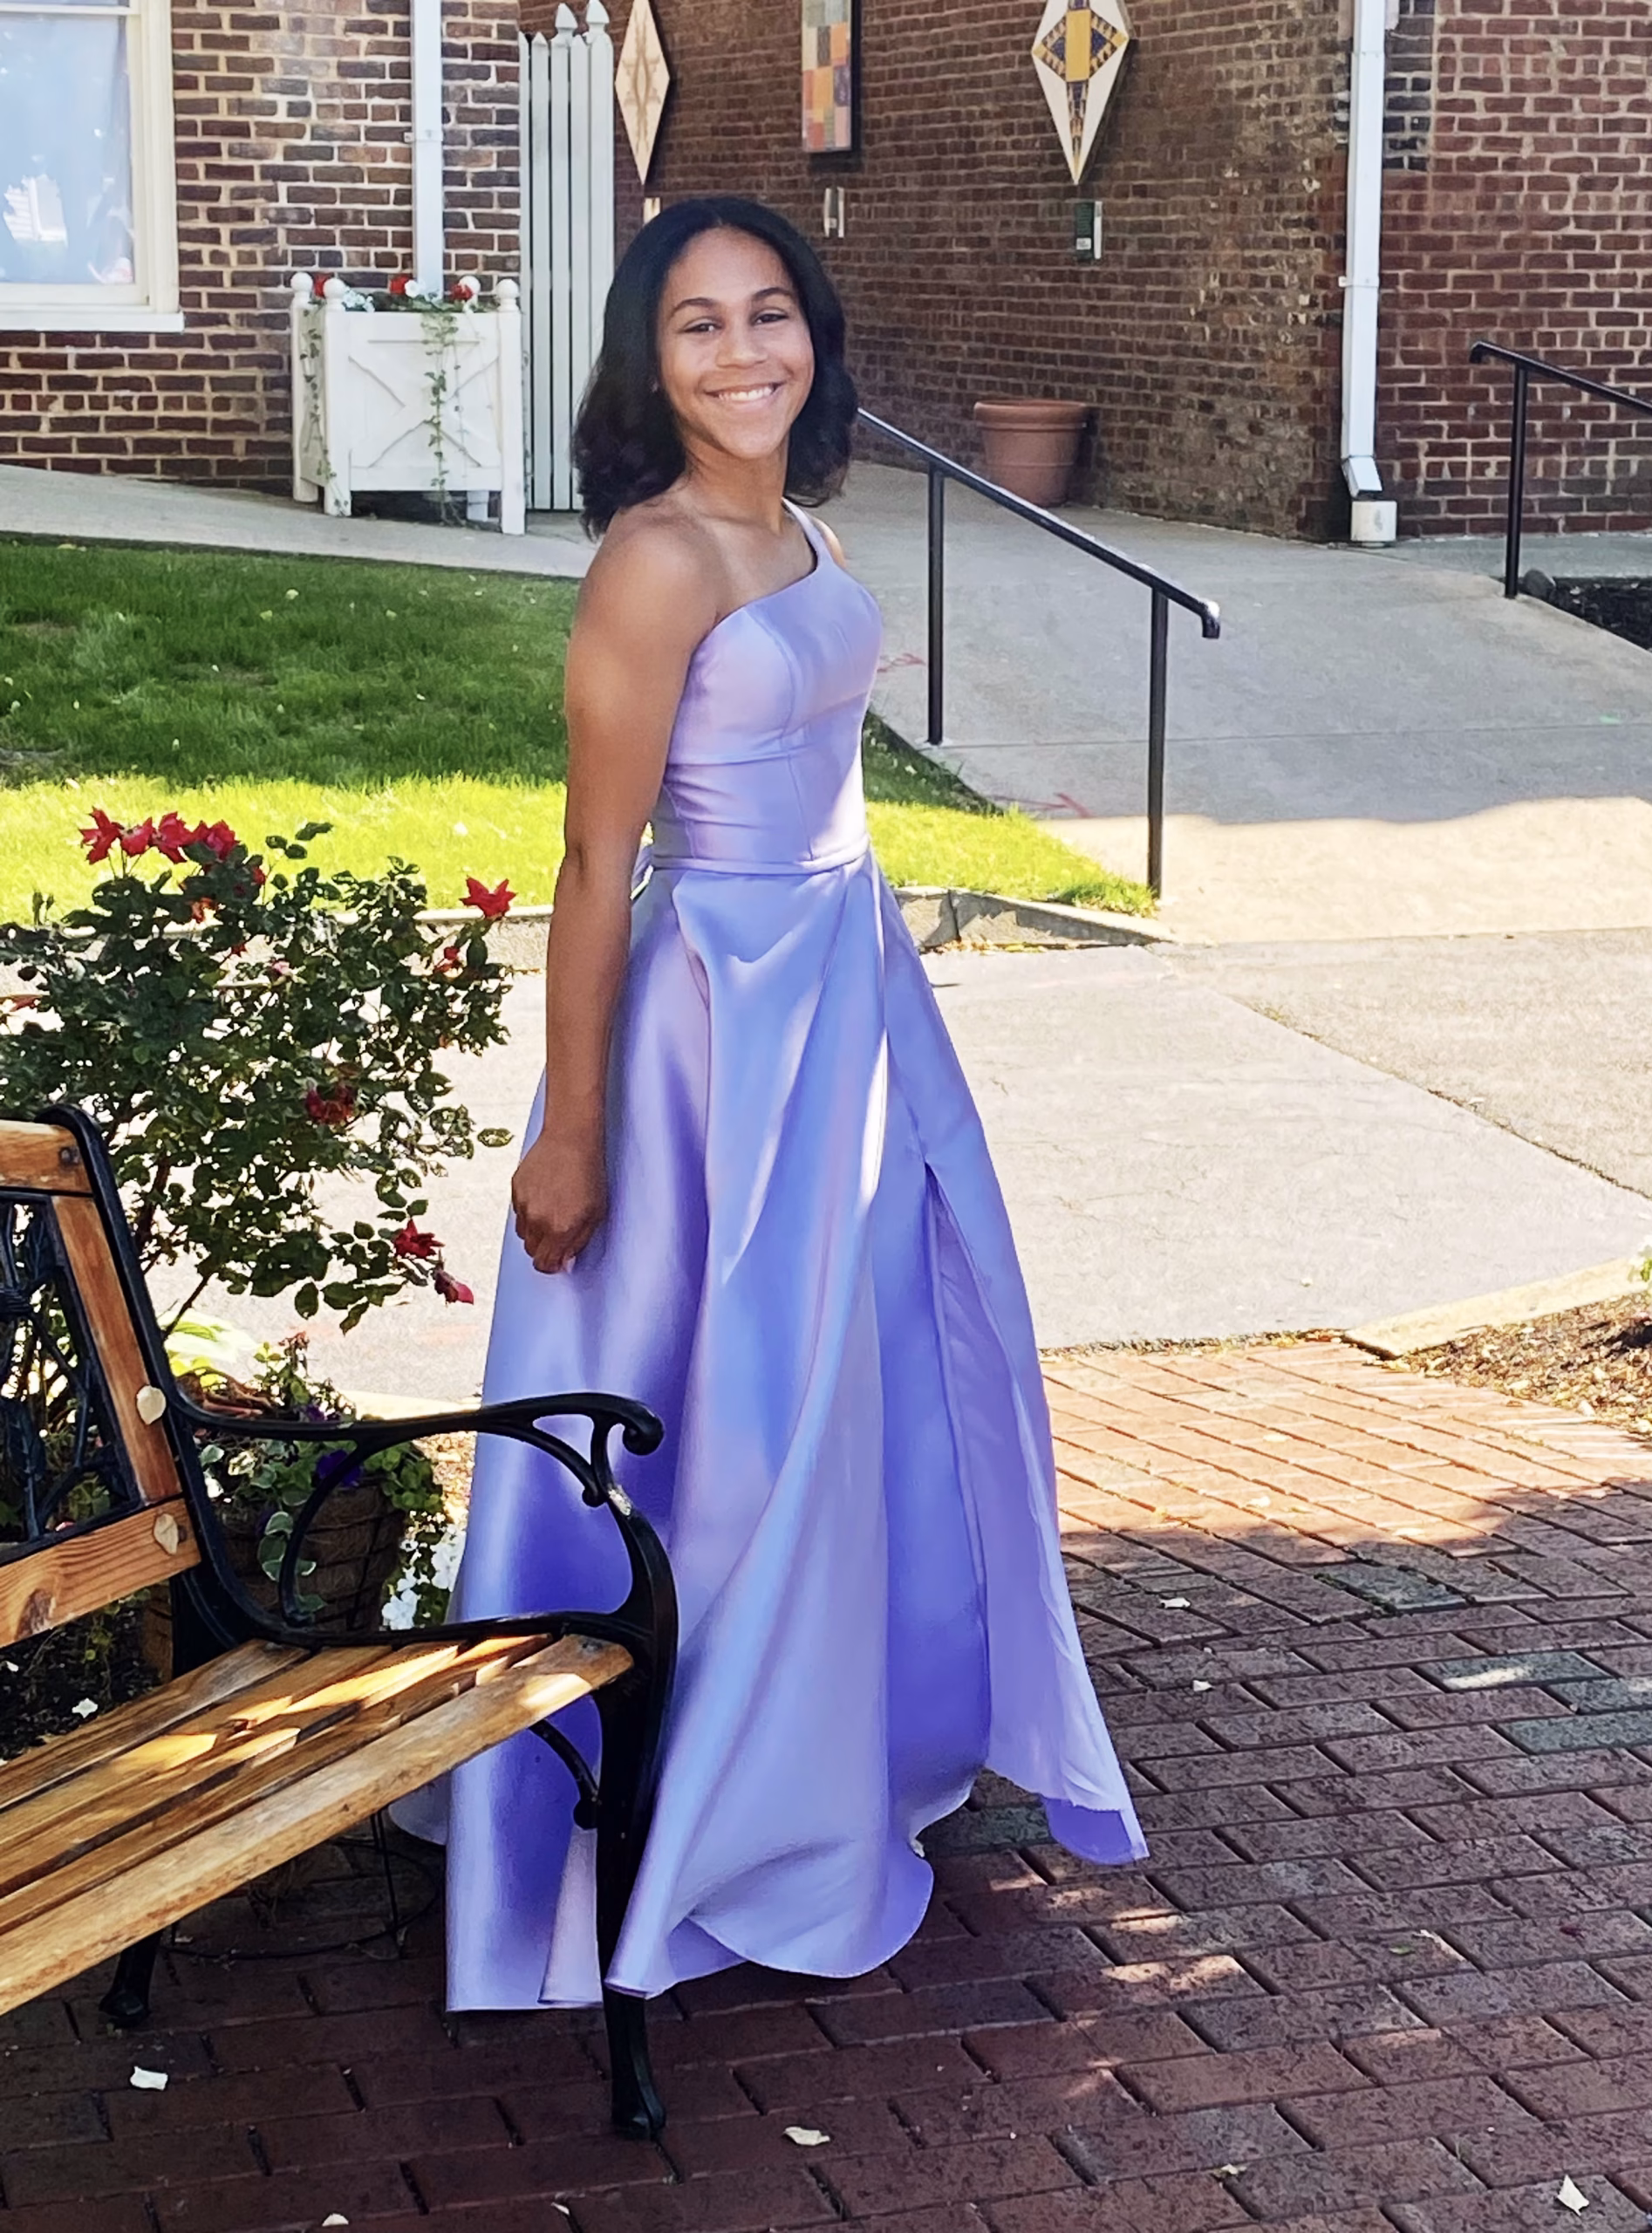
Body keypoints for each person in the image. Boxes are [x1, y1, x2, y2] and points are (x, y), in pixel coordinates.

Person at [419, 196, 1145, 2013]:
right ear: (647, 361)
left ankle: (823, 1754)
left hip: (844, 997)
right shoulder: (655, 560)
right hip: (712, 1033)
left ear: (814, 334)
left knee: (855, 1383)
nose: (743, 351)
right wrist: (574, 1125)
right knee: (731, 1407)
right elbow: (594, 863)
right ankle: (697, 1808)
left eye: (771, 314)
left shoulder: (804, 526)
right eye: (698, 324)